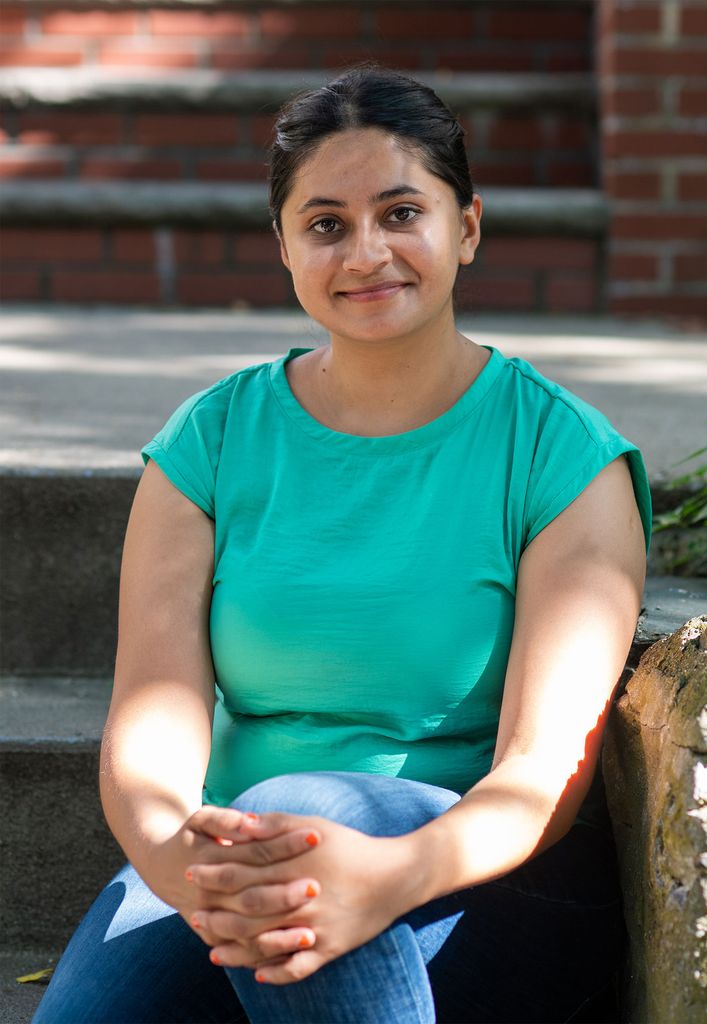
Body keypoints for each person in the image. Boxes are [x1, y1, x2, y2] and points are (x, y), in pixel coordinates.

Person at [35, 63, 650, 1024]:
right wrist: (183, 865)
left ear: (468, 227)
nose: (366, 251)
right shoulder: (211, 442)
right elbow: (150, 728)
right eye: (325, 224)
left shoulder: (559, 457)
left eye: (402, 212)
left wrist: (385, 872)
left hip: (479, 875)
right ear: (283, 248)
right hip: (236, 862)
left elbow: (540, 783)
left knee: (308, 835)